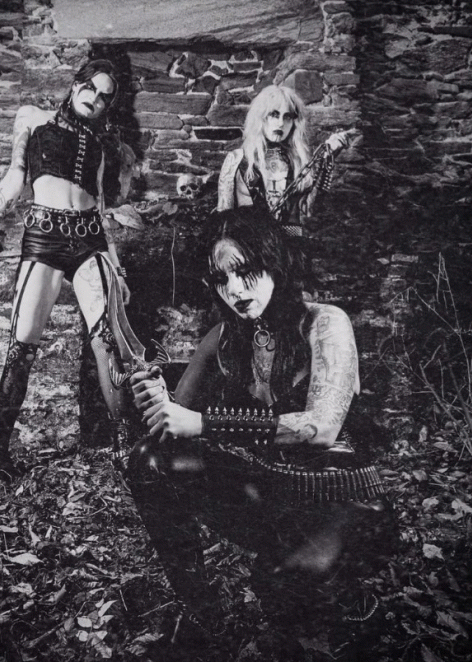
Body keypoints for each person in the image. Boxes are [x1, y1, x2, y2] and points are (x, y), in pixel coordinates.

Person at [127, 207, 396, 656]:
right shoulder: (222, 338)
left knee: (280, 587)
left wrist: (203, 422)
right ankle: (205, 615)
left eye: (246, 271)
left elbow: (322, 427)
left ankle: (356, 605)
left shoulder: (325, 322)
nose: (234, 289)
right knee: (149, 459)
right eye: (221, 278)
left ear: (275, 263)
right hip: (274, 491)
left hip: (343, 497)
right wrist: (155, 401)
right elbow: (175, 423)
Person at [0, 59, 132, 496]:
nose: (95, 100)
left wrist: (117, 267)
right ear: (76, 84)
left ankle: (126, 448)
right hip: (46, 233)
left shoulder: (99, 145)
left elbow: (99, 208)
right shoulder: (32, 118)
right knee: (22, 346)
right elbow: (16, 175)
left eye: (105, 98)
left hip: (91, 239)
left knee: (107, 341)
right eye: (91, 88)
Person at [217, 84, 352, 239]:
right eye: (274, 115)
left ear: (295, 123)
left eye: (287, 117)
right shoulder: (237, 159)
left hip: (291, 245)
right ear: (260, 117)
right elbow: (223, 217)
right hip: (250, 244)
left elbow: (308, 210)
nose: (280, 123)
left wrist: (328, 158)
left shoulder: (298, 161)